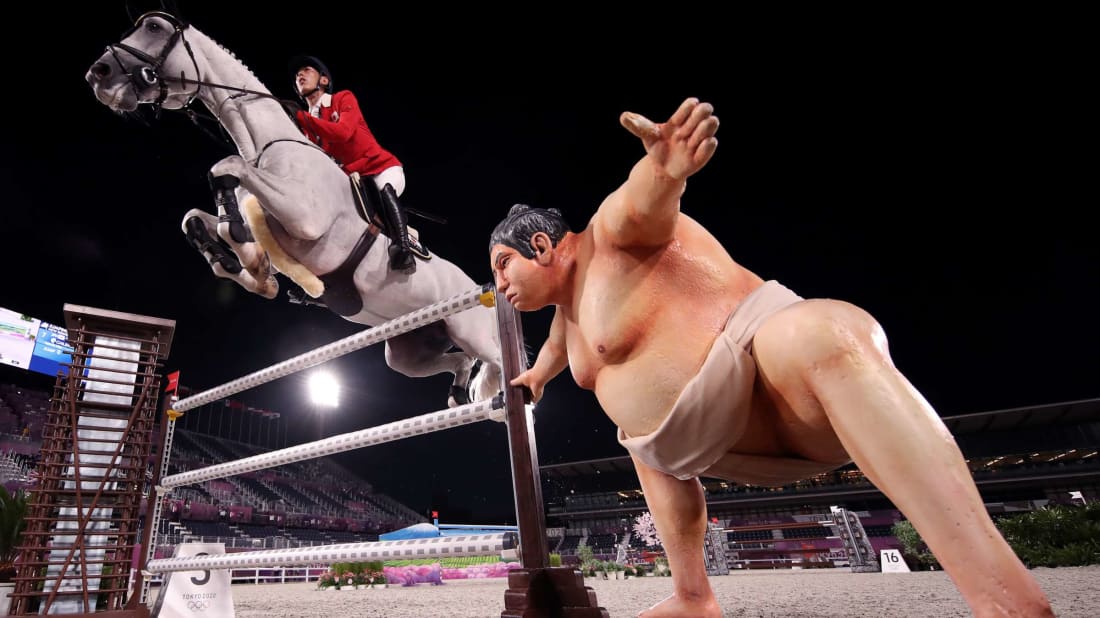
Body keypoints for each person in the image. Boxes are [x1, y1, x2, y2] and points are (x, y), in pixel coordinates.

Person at [488, 98, 1054, 617]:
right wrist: (535, 379)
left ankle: (1008, 602)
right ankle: (693, 597)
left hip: (773, 383)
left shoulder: (612, 235)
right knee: (642, 445)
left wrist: (666, 167)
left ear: (540, 246)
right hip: (704, 449)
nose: (502, 286)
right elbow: (558, 355)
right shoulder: (569, 319)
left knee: (824, 330)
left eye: (502, 265)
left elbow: (645, 199)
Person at [286, 55, 426, 273]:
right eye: (297, 75)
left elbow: (343, 133)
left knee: (384, 190)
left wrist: (303, 118)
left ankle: (403, 250)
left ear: (323, 80)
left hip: (381, 168)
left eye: (306, 70)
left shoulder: (342, 98)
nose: (300, 75)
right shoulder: (308, 128)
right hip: (352, 180)